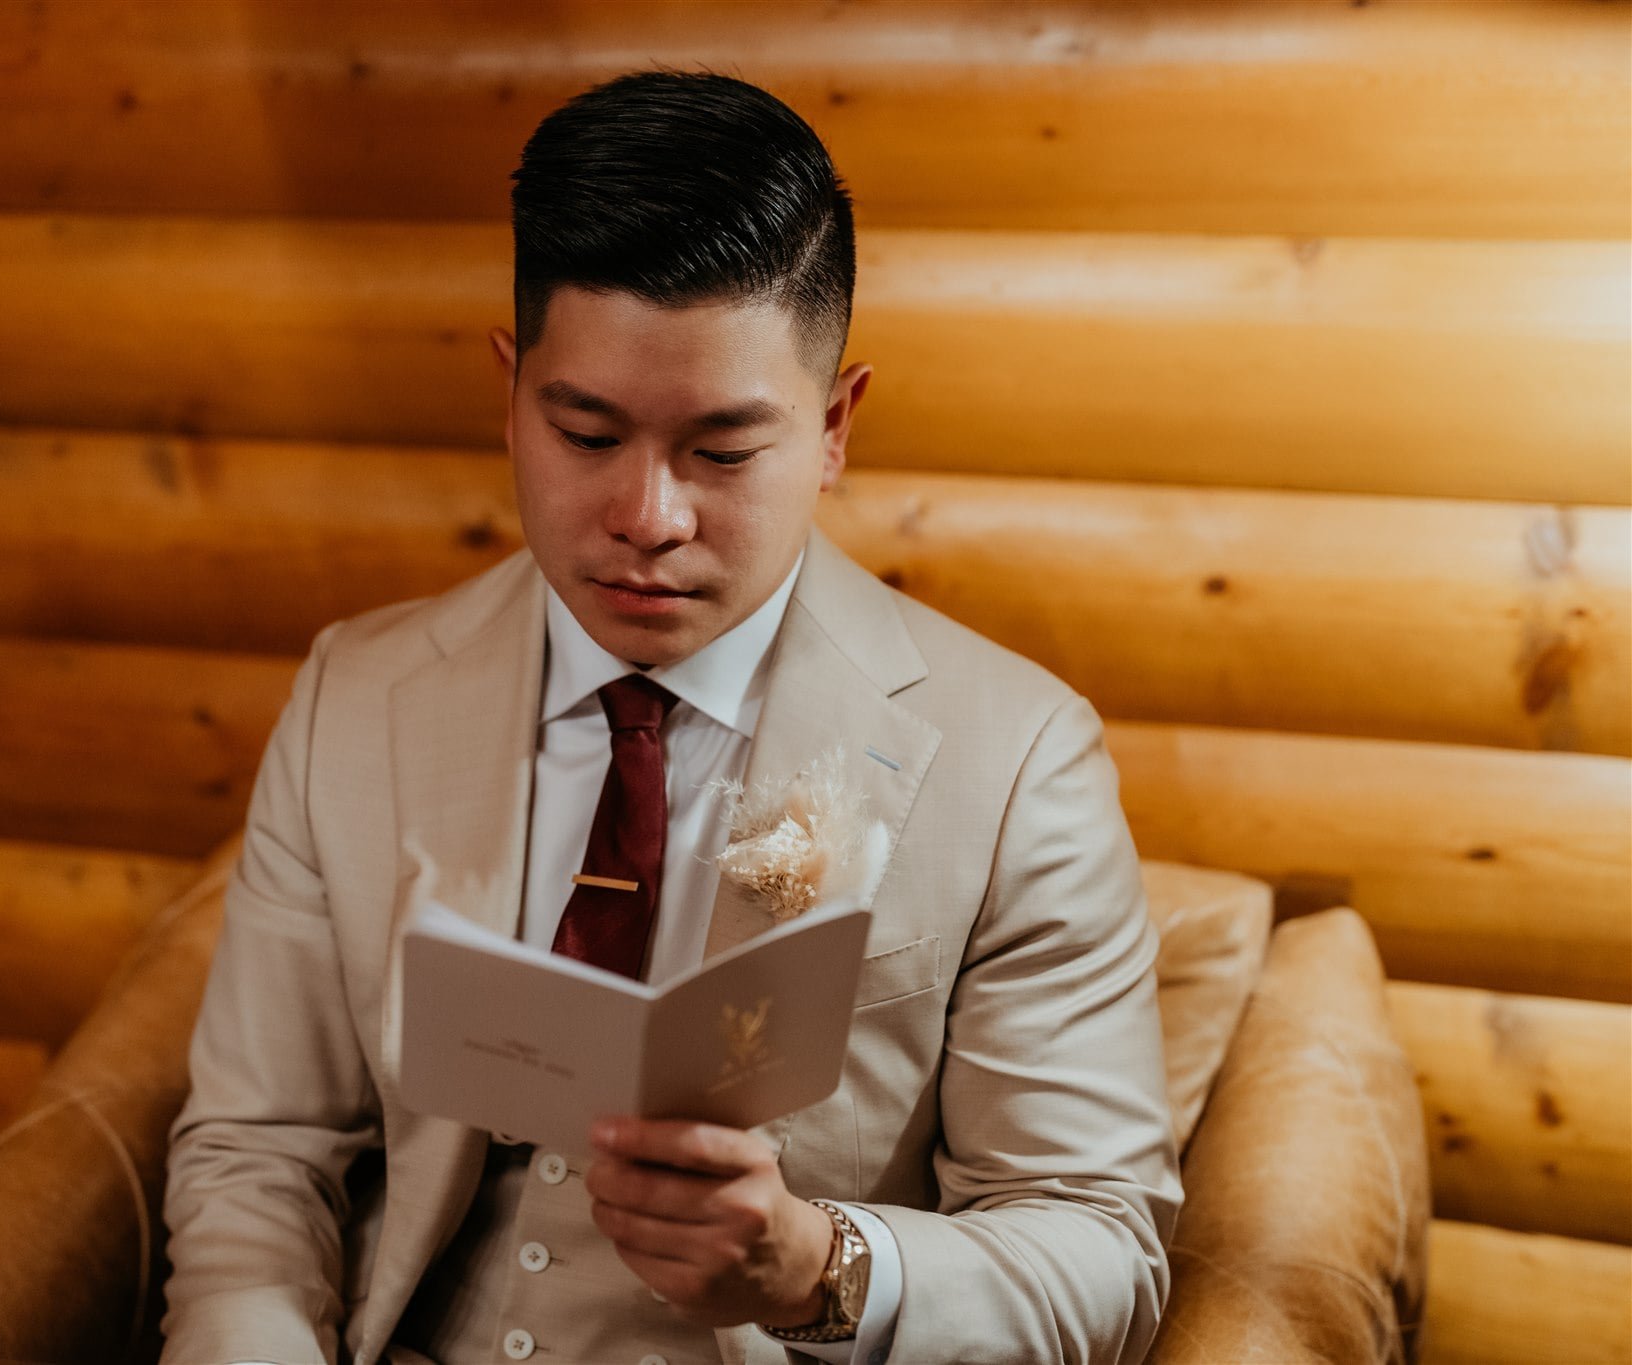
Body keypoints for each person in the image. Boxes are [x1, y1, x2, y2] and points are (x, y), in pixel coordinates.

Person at [160, 70, 1180, 1365]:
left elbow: (1101, 1250)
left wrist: (818, 1264)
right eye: (585, 432)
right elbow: (261, 1148)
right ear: (509, 391)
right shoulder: (355, 696)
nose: (651, 516)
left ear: (834, 426)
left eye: (723, 451)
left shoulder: (1020, 758)